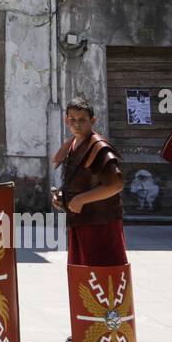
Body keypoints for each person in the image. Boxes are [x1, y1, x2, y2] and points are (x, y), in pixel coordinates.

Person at [51, 96, 127, 266]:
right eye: (72, 120)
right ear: (66, 120)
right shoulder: (72, 145)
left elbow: (116, 184)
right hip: (80, 221)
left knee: (103, 276)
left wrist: (80, 199)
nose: (77, 125)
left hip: (101, 223)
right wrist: (63, 196)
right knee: (82, 276)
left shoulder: (99, 146)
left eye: (82, 120)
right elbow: (80, 179)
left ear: (93, 121)